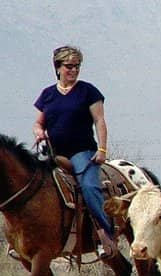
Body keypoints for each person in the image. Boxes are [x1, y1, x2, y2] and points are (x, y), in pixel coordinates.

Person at [33, 45, 117, 259]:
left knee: (89, 187)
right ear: (58, 67)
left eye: (77, 66)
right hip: (54, 153)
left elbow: (100, 121)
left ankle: (104, 236)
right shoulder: (47, 94)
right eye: (69, 66)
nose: (74, 70)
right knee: (31, 183)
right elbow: (37, 123)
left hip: (81, 152)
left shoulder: (88, 91)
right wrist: (39, 132)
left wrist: (102, 149)